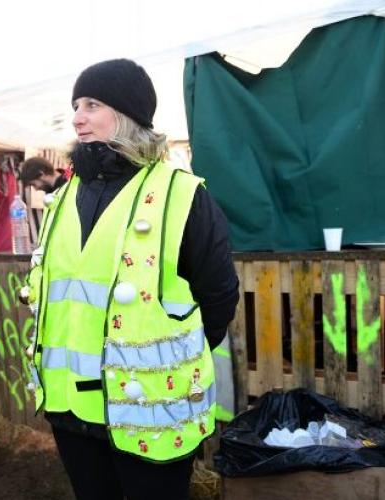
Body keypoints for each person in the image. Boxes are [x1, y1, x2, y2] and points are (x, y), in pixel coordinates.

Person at [23, 59, 239, 499]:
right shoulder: (60, 199)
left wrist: (169, 359)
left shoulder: (182, 195)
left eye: (92, 104)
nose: (77, 117)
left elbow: (218, 296)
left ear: (127, 114)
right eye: (76, 106)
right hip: (71, 410)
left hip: (151, 409)